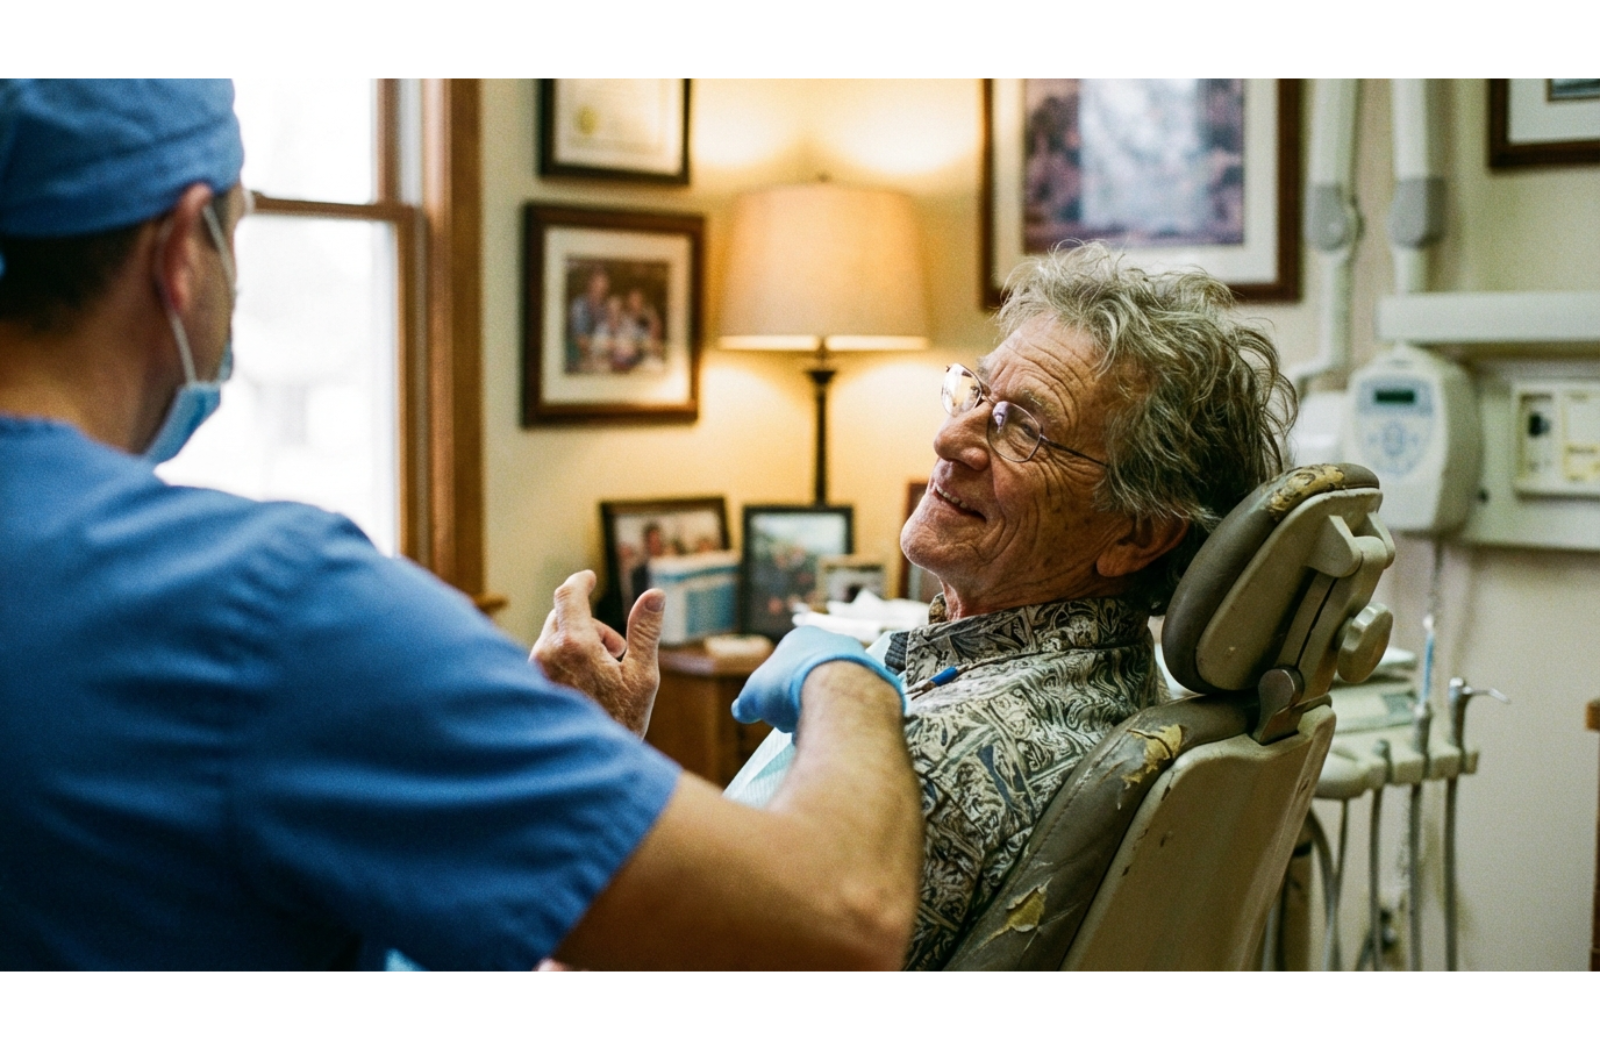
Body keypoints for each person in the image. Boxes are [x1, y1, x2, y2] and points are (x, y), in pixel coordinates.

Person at [0, 79, 922, 970]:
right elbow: (839, 922)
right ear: (179, 253)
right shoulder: (268, 606)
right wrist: (847, 666)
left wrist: (563, 769)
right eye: (237, 231)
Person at [726, 242, 1295, 969]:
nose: (949, 437)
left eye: (1024, 427)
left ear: (1138, 533)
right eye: (977, 395)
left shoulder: (933, 761)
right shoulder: (1112, 679)